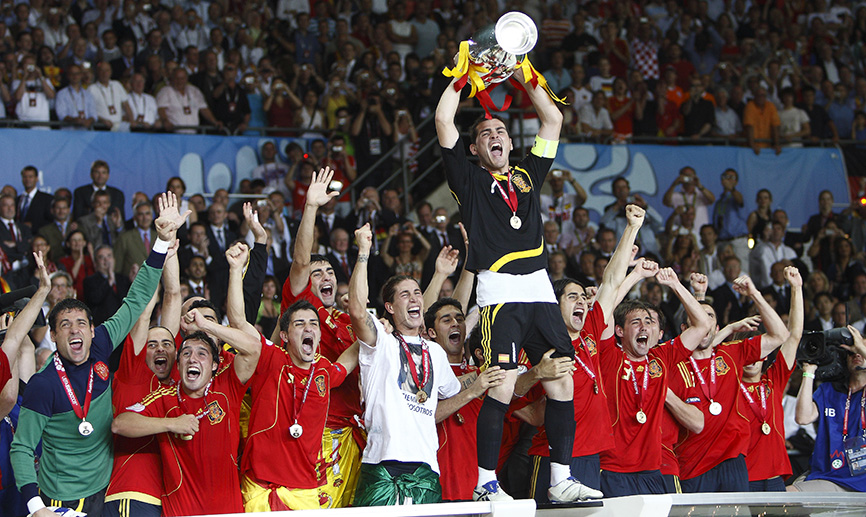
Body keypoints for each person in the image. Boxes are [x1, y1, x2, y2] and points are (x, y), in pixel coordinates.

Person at [435, 63, 602, 502]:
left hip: (541, 288)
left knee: (562, 379)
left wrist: (525, 74)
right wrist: (465, 73)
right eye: (486, 134)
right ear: (474, 148)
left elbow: (553, 118)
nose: (495, 137)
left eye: (501, 132)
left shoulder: (528, 174)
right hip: (500, 289)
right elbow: (442, 119)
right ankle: (486, 484)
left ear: (510, 142)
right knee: (503, 381)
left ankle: (561, 479)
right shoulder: (468, 180)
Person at [10, 192, 187, 517]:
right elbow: (21, 447)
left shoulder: (103, 342)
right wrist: (36, 507)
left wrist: (161, 242)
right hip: (62, 500)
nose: (75, 330)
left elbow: (135, 302)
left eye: (81, 323)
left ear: (93, 330)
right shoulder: (43, 385)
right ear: (52, 335)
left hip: (109, 491)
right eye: (64, 325)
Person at [348, 223, 502, 505]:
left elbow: (437, 407)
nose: (415, 298)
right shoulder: (381, 342)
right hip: (382, 465)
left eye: (417, 292)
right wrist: (364, 251)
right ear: (391, 308)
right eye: (405, 294)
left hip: (426, 469)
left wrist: (472, 390)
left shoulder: (436, 352)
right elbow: (357, 311)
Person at [112, 300, 260, 516]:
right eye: (186, 354)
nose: (193, 359)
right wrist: (171, 423)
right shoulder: (164, 399)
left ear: (214, 365)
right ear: (178, 363)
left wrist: (205, 325)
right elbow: (120, 424)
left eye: (202, 354)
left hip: (228, 512)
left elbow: (254, 348)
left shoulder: (227, 388)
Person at [275, 167, 363, 507]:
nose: (325, 275)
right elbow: (300, 260)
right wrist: (310, 207)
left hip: (357, 434)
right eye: (317, 273)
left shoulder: (345, 320)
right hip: (320, 433)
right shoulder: (302, 307)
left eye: (329, 271)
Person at [671, 273, 790, 493]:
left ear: (716, 329)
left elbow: (780, 335)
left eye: (709, 320)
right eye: (698, 320)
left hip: (732, 461)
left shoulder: (731, 354)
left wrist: (754, 294)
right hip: (692, 465)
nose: (703, 324)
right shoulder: (672, 365)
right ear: (684, 329)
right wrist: (698, 296)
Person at [598, 268, 711, 497]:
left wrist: (676, 285)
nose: (643, 327)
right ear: (619, 330)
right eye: (636, 322)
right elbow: (604, 308)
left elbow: (702, 325)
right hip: (612, 468)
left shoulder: (662, 359)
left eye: (649, 322)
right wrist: (636, 275)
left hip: (652, 471)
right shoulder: (609, 355)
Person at [103, 245, 182, 517]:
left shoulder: (176, 383)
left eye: (167, 344)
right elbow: (144, 313)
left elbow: (173, 296)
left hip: (166, 499)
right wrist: (159, 253)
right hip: (133, 494)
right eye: (152, 344)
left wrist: (172, 252)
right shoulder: (132, 374)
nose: (160, 348)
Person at [739, 266, 804, 491]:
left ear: (765, 357)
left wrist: (796, 288)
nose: (751, 359)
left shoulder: (773, 380)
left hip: (776, 475)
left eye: (756, 352)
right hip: (743, 477)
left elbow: (794, 335)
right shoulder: (728, 385)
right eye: (745, 353)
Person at [792, 325, 866, 493]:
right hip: (825, 473)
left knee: (788, 497)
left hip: (858, 481)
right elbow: (803, 417)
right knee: (781, 499)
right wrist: (808, 372)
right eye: (851, 351)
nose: (856, 353)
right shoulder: (829, 390)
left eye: (861, 349)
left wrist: (861, 346)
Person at [157, 67, 222, 134]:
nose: (180, 81)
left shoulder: (194, 91)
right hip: (174, 134)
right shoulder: (165, 91)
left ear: (186, 79)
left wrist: (214, 121)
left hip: (192, 135)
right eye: (177, 78)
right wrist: (165, 121)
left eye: (182, 78)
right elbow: (161, 108)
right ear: (172, 79)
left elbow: (204, 109)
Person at [662, 166, 715, 231]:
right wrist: (674, 184)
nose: (688, 178)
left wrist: (699, 185)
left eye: (690, 175)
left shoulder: (701, 194)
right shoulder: (676, 195)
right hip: (682, 235)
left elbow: (712, 200)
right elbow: (666, 202)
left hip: (700, 234)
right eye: (685, 175)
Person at [114, 201, 156, 278]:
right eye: (141, 214)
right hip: (132, 284)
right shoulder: (125, 238)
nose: (145, 218)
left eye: (147, 213)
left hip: (156, 283)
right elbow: (117, 267)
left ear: (152, 216)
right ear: (135, 217)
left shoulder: (159, 237)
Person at [88, 61, 132, 131]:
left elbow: (126, 105)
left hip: (119, 127)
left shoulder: (117, 85)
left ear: (111, 71)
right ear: (97, 72)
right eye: (102, 70)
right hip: (101, 127)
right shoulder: (91, 89)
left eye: (107, 70)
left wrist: (131, 120)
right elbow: (90, 111)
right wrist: (102, 120)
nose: (105, 73)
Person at [54, 65, 96, 130]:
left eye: (77, 73)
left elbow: (94, 114)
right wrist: (74, 120)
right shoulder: (61, 94)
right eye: (72, 74)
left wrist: (89, 121)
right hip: (68, 132)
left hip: (86, 133)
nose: (75, 76)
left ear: (81, 75)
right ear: (68, 75)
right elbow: (61, 115)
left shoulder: (88, 94)